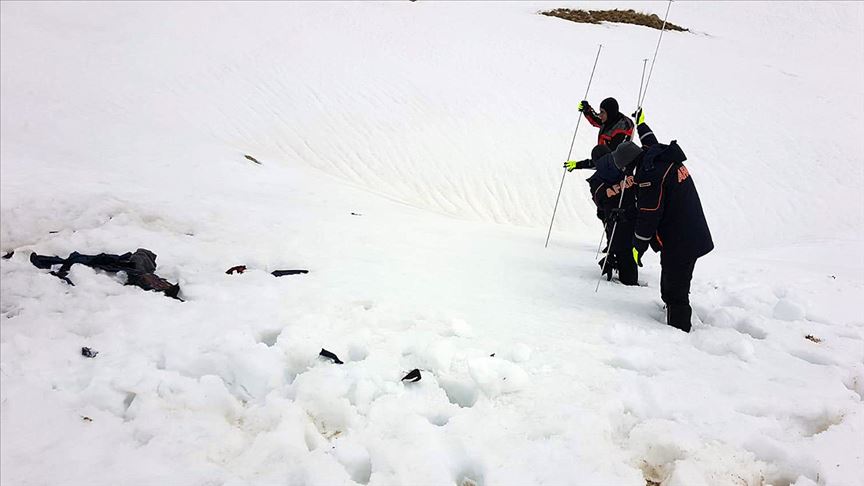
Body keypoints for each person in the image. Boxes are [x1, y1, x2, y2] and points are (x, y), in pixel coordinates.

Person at [609, 111, 714, 332]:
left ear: (629, 165)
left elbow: (649, 215)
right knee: (671, 277)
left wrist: (638, 246)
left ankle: (678, 333)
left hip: (682, 239)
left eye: (626, 171)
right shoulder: (656, 156)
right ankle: (672, 313)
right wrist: (642, 123)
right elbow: (649, 140)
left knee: (676, 287)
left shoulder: (649, 176)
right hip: (688, 230)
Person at [564, 144, 638, 285]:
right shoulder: (624, 169)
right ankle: (625, 276)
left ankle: (628, 281)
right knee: (627, 249)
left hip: (618, 219)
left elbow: (600, 203)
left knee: (623, 250)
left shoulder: (600, 179)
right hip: (631, 216)